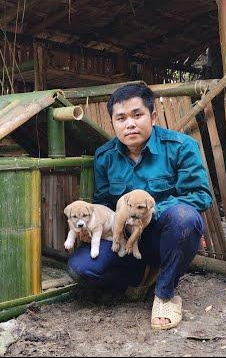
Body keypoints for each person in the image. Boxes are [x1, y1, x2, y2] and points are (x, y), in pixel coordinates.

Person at [67, 83, 213, 330]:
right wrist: (91, 226)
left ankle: (165, 293)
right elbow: (103, 203)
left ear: (153, 116)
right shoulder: (104, 157)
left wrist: (149, 215)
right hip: (123, 240)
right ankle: (141, 276)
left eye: (137, 115)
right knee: (80, 269)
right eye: (121, 118)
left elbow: (199, 195)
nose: (130, 124)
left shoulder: (180, 147)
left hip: (162, 238)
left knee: (184, 218)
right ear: (112, 123)